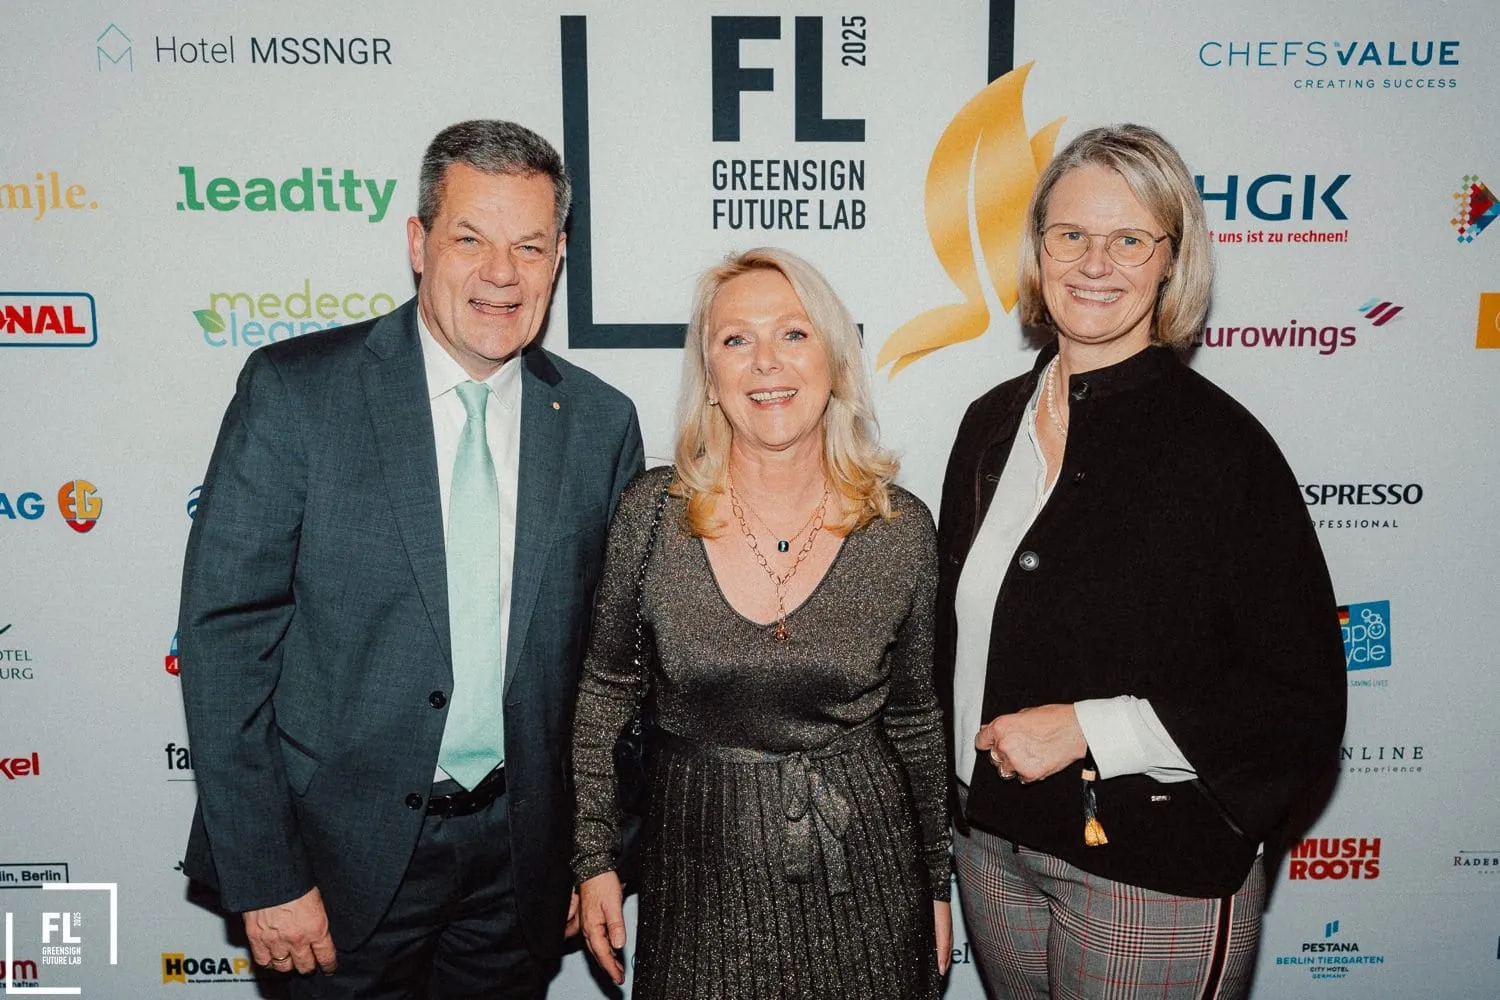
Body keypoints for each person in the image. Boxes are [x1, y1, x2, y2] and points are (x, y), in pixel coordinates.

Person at [177, 119, 644, 999]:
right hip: (329, 861)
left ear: (559, 257)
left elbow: (606, 670)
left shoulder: (599, 423)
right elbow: (223, 644)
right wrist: (267, 873)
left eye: (530, 246)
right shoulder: (297, 393)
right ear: (419, 243)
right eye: (470, 238)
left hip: (518, 866)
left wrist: (595, 850)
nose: (501, 274)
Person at [935, 124, 1346, 1000]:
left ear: (1171, 261)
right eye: (1070, 235)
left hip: (1153, 871)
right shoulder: (989, 424)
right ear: (1037, 250)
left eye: (1129, 239)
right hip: (992, 851)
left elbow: (1298, 698)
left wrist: (1094, 726)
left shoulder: (1224, 451)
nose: (1095, 263)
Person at [570, 248, 953, 999]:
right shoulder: (652, 514)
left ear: (836, 360)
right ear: (710, 377)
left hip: (866, 870)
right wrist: (594, 859)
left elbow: (915, 718)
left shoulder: (899, 528)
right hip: (698, 867)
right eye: (736, 340)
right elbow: (606, 692)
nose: (765, 363)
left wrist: (935, 878)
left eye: (794, 334)